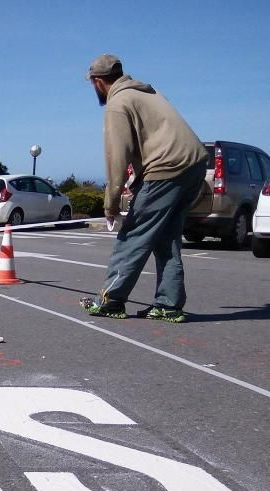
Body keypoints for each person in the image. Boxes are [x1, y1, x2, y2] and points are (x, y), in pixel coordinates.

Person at [79, 54, 207, 323]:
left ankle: (111, 301)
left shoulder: (118, 103)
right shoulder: (149, 92)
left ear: (99, 81)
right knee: (166, 237)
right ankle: (169, 304)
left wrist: (110, 204)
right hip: (195, 165)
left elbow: (117, 157)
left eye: (92, 84)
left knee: (133, 236)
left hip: (166, 169)